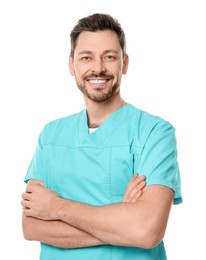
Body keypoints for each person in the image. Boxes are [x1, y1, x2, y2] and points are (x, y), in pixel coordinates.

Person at [21, 13, 182, 260]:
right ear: (71, 65)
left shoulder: (154, 132)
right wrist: (123, 224)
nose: (98, 68)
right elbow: (31, 227)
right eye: (86, 57)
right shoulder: (51, 135)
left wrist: (57, 208)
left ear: (124, 63)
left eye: (109, 57)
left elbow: (147, 230)